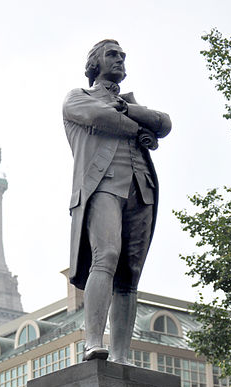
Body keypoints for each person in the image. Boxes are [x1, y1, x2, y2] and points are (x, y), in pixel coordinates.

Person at [63, 39, 171, 363]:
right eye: (113, 55)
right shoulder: (77, 97)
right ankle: (93, 342)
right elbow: (101, 117)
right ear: (95, 63)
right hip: (104, 186)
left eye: (124, 56)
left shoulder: (128, 103)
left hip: (142, 188)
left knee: (130, 275)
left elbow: (164, 123)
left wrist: (129, 110)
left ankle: (123, 357)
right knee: (106, 256)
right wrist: (139, 124)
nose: (121, 59)